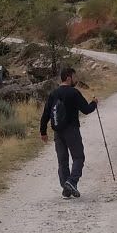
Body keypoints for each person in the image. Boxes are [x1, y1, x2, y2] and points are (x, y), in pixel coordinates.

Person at [39, 67, 98, 199]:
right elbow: (86, 110)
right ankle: (71, 182)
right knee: (78, 157)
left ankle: (66, 189)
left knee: (62, 161)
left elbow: (46, 114)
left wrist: (43, 131)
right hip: (72, 130)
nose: (76, 79)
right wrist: (94, 103)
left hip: (58, 131)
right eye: (74, 77)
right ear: (68, 77)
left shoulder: (53, 93)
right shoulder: (74, 93)